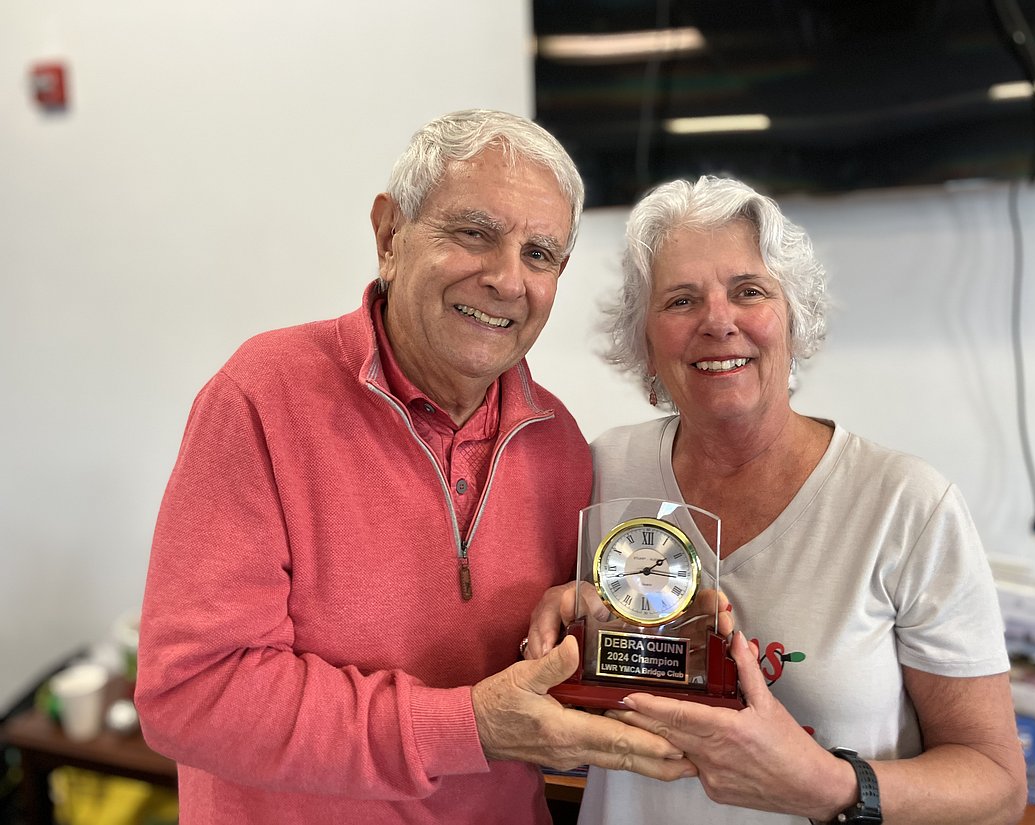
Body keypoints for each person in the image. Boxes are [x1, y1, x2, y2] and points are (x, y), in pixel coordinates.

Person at [134, 110, 696, 825]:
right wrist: (468, 724)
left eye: (540, 253)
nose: (505, 278)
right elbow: (191, 695)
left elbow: (543, 711)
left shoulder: (559, 446)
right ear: (390, 235)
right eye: (474, 233)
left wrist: (610, 660)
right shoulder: (259, 397)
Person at [526, 176, 1027, 825]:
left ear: (795, 318)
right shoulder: (600, 470)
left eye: (748, 291)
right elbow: (570, 706)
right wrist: (560, 621)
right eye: (680, 300)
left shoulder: (907, 505)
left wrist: (827, 784)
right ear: (644, 342)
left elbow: (997, 784)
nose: (717, 319)